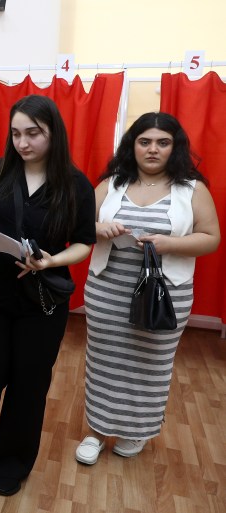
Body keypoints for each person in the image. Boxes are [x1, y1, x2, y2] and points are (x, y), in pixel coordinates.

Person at [0, 94, 96, 496]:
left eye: (33, 134)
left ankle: (11, 462)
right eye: (17, 133)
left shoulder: (75, 184)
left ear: (53, 133)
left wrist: (50, 261)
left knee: (29, 384)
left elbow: (84, 243)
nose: (23, 143)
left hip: (42, 303)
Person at [75, 112, 220, 465]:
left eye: (162, 142)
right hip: (108, 287)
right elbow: (77, 226)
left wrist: (168, 244)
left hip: (166, 294)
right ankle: (95, 430)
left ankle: (135, 431)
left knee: (151, 364)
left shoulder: (192, 189)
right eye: (145, 142)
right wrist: (99, 229)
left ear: (175, 147)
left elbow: (211, 239)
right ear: (132, 145)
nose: (153, 149)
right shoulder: (111, 184)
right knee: (104, 360)